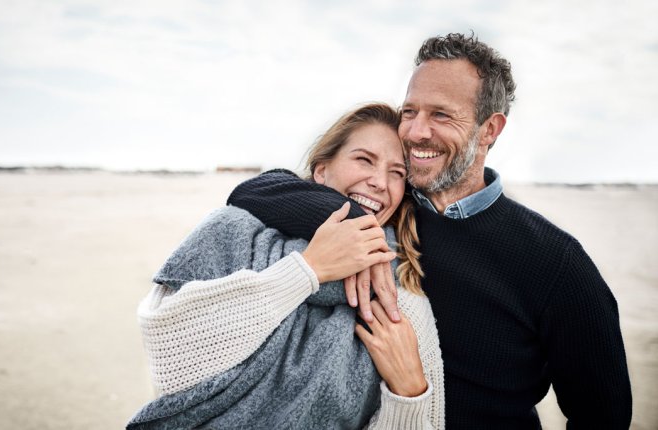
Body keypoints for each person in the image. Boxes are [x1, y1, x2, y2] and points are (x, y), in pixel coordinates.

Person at [230, 33, 632, 429]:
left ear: (489, 130)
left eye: (441, 115)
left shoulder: (555, 262)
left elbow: (604, 416)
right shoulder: (387, 207)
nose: (416, 132)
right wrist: (356, 220)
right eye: (409, 112)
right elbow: (255, 190)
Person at [128, 104, 444, 429]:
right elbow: (169, 360)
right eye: (364, 159)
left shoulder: (401, 290)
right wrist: (307, 271)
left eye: (397, 173)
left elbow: (427, 422)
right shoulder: (234, 228)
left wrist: (410, 392)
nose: (380, 181)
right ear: (321, 170)